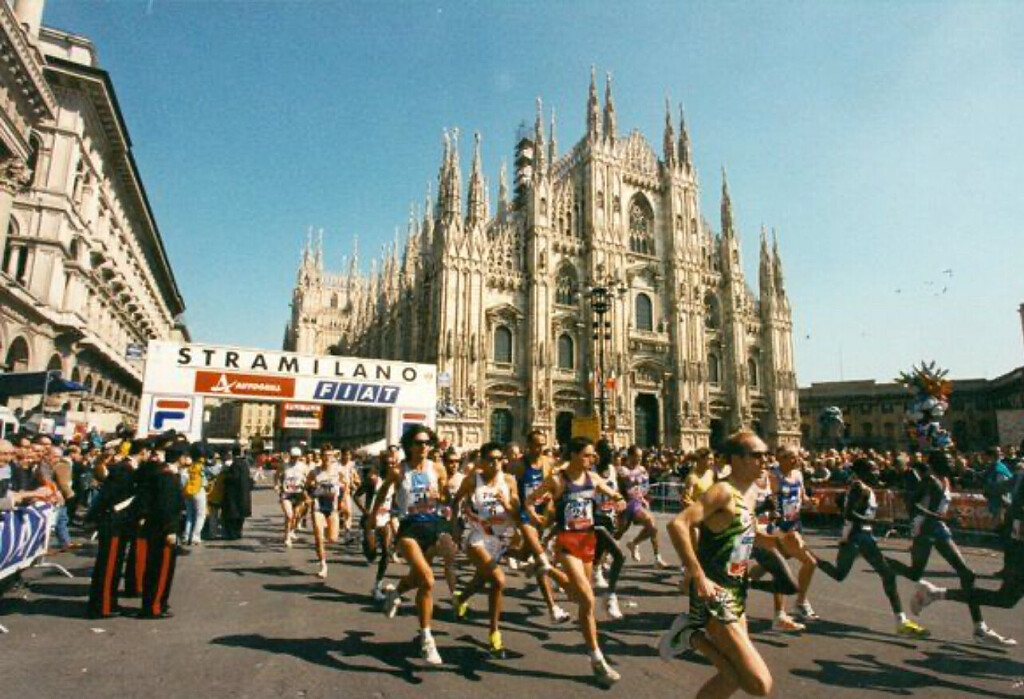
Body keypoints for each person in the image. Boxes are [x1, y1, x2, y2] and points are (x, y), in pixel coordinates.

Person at [662, 430, 776, 698]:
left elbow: (745, 535)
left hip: (736, 590)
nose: (765, 461)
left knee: (731, 677)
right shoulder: (723, 491)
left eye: (767, 455)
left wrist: (781, 542)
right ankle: (692, 636)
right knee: (759, 684)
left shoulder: (749, 493)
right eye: (758, 455)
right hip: (714, 592)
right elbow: (678, 524)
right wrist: (697, 575)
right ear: (736, 459)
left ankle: (690, 635)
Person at [884, 450, 1014, 646]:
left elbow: (937, 507)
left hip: (937, 527)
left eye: (952, 460)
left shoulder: (945, 479)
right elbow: (912, 504)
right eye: (947, 460)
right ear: (935, 463)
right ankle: (878, 559)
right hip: (925, 528)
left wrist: (946, 517)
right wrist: (940, 517)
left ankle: (979, 628)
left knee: (967, 574)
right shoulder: (930, 480)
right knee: (914, 572)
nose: (952, 463)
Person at [528, 436, 624, 687]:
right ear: (573, 454)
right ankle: (598, 659)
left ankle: (547, 569)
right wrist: (535, 517)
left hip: (588, 541)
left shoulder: (593, 478)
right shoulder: (558, 480)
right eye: (587, 455)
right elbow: (530, 500)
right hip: (567, 542)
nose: (592, 459)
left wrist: (619, 499)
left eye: (593, 455)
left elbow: (612, 493)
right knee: (588, 599)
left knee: (580, 599)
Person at [815, 458, 929, 637]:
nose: (877, 472)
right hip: (857, 536)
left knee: (844, 574)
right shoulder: (859, 487)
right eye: (873, 469)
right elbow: (849, 513)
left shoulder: (864, 488)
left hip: (861, 536)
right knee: (880, 574)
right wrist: (873, 521)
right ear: (862, 472)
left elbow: (846, 506)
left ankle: (901, 620)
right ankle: (901, 620)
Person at [912, 457, 1022, 641]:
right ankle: (936, 594)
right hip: (1019, 550)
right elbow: (990, 490)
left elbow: (991, 491)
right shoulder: (1020, 477)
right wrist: (1011, 509)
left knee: (1006, 600)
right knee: (1005, 599)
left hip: (1016, 546)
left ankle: (936, 594)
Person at [370, 425, 453, 665]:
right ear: (409, 445)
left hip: (432, 527)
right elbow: (382, 493)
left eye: (427, 442)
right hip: (409, 529)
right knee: (427, 579)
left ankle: (394, 592)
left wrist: (440, 496)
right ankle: (427, 639)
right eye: (418, 443)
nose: (424, 447)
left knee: (418, 578)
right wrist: (372, 518)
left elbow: (446, 498)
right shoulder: (398, 471)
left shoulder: (437, 468)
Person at [449, 442, 521, 658]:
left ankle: (460, 598)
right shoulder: (473, 480)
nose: (496, 463)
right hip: (477, 538)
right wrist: (454, 528)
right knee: (498, 580)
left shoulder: (509, 481)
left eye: (499, 459)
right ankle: (494, 634)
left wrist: (507, 506)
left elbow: (517, 513)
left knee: (481, 579)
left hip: (499, 540)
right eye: (491, 459)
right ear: (481, 461)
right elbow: (455, 502)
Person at [506, 429, 570, 624]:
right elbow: (509, 489)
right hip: (525, 516)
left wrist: (551, 500)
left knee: (524, 554)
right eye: (536, 445)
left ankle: (502, 551)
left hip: (542, 517)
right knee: (542, 560)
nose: (540, 448)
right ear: (528, 445)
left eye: (542, 444)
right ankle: (553, 608)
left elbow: (554, 487)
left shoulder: (549, 463)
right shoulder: (517, 466)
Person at [767, 445, 819, 624]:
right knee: (810, 562)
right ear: (780, 458)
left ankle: (742, 583)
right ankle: (800, 602)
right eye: (792, 457)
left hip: (795, 524)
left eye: (797, 456)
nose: (797, 460)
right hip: (780, 528)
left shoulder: (798, 474)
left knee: (774, 566)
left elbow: (802, 498)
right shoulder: (773, 476)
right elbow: (771, 502)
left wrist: (810, 502)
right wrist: (778, 524)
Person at [139, 441, 187, 619]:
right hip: (163, 529)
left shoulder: (163, 473)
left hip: (156, 527)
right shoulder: (168, 477)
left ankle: (157, 603)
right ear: (181, 457)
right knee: (161, 569)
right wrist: (171, 530)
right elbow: (167, 507)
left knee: (158, 568)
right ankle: (154, 606)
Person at [354, 450, 398, 601]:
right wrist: (366, 513)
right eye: (387, 463)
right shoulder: (373, 479)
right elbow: (356, 496)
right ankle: (365, 543)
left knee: (387, 551)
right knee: (371, 555)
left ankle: (377, 586)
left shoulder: (395, 480)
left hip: (385, 518)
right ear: (381, 464)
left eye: (393, 463)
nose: (390, 466)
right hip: (371, 519)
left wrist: (395, 512)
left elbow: (395, 498)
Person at [616, 445, 667, 567]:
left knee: (652, 526)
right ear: (630, 456)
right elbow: (625, 483)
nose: (639, 459)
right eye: (636, 456)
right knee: (619, 532)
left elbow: (645, 486)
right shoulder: (622, 470)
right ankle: (602, 558)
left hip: (637, 504)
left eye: (640, 456)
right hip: (626, 504)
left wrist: (644, 497)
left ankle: (657, 557)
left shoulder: (642, 469)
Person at [592, 438, 626, 619]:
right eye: (606, 452)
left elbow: (617, 491)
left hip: (608, 517)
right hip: (592, 519)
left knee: (598, 553)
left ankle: (594, 570)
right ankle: (611, 596)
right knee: (619, 555)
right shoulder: (590, 471)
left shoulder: (612, 470)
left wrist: (619, 505)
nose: (609, 456)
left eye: (611, 452)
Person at [305, 449, 344, 579]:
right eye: (325, 455)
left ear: (333, 457)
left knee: (332, 539)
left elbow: (346, 485)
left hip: (332, 508)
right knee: (319, 537)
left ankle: (326, 535)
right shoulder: (314, 472)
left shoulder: (338, 471)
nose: (327, 458)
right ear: (321, 457)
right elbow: (306, 486)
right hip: (318, 507)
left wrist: (342, 499)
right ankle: (323, 565)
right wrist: (309, 497)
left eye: (330, 455)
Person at [276, 447, 309, 547]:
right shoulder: (284, 465)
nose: (295, 459)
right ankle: (287, 537)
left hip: (299, 494)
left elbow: (309, 478)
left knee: (296, 516)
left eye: (297, 457)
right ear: (290, 456)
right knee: (289, 515)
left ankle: (291, 530)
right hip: (287, 493)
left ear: (300, 457)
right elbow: (277, 475)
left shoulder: (304, 467)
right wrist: (277, 485)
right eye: (293, 457)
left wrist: (307, 487)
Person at [221, 448, 253, 540]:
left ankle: (232, 534)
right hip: (244, 493)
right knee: (240, 516)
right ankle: (238, 532)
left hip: (234, 494)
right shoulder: (245, 464)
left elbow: (234, 477)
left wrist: (225, 478)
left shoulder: (235, 464)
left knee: (232, 515)